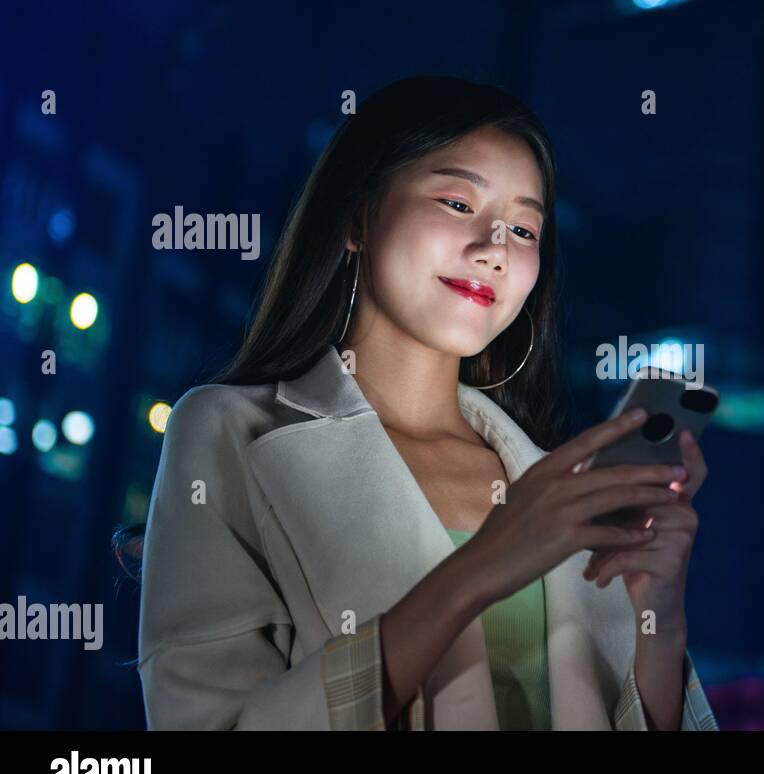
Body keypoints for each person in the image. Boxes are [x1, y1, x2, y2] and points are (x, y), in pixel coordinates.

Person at [136, 75, 718, 731]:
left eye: (524, 230)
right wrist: (477, 570)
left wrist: (660, 619)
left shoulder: (561, 494)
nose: (495, 249)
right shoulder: (226, 432)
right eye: (457, 202)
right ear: (358, 216)